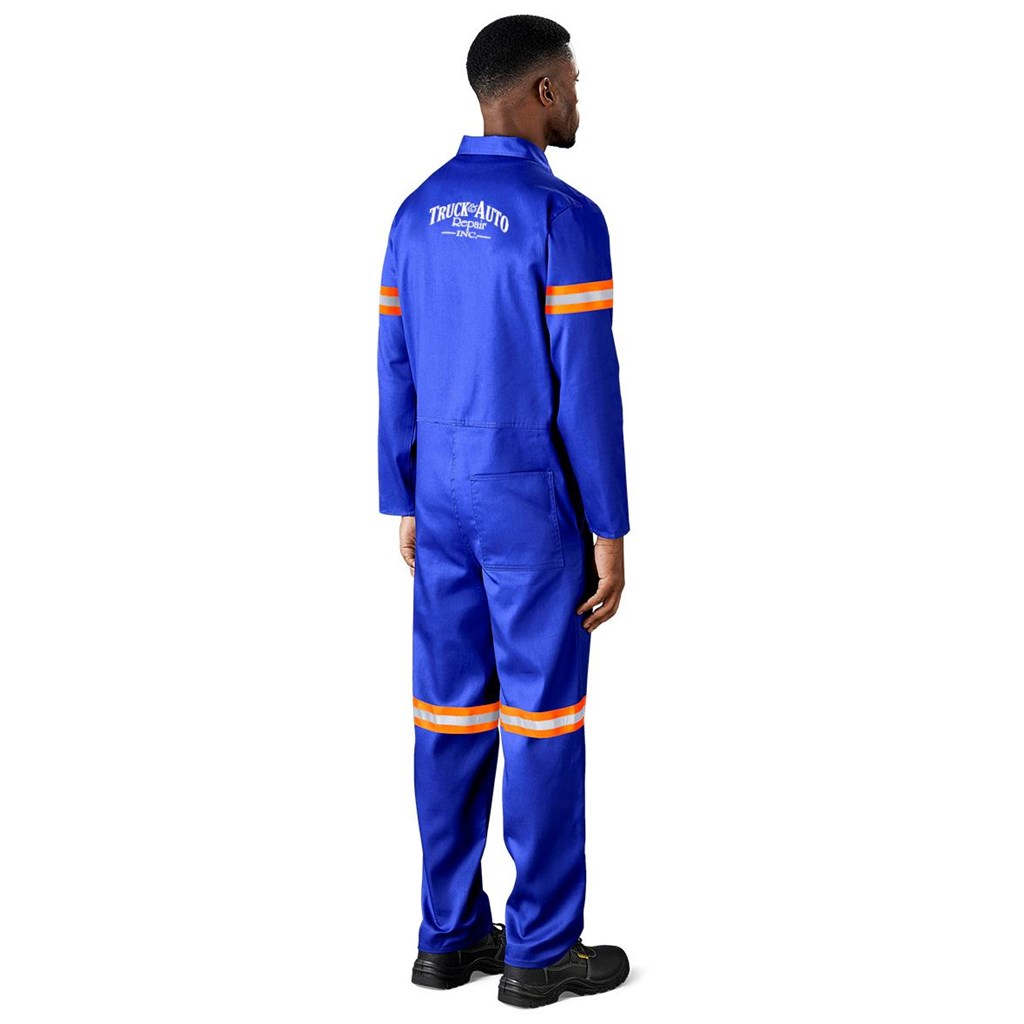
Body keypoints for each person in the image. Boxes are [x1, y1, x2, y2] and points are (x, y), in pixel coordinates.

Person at [376, 15, 631, 1009]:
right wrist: (608, 529)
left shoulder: (414, 213)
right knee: (541, 720)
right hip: (530, 501)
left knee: (446, 714)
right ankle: (540, 951)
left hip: (441, 497)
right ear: (538, 92)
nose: (578, 99)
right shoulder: (564, 218)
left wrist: (406, 494)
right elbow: (586, 387)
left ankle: (446, 938)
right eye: (571, 83)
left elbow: (395, 363)